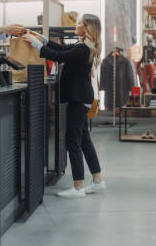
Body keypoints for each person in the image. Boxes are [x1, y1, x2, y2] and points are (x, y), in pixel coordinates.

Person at [21, 14, 106, 198]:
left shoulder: (83, 49)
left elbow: (58, 56)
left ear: (87, 28)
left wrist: (36, 45)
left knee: (72, 142)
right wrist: (41, 38)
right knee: (83, 140)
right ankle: (97, 180)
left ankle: (78, 187)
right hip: (81, 98)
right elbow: (60, 48)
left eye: (78, 23)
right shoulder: (82, 46)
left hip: (79, 99)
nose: (75, 25)